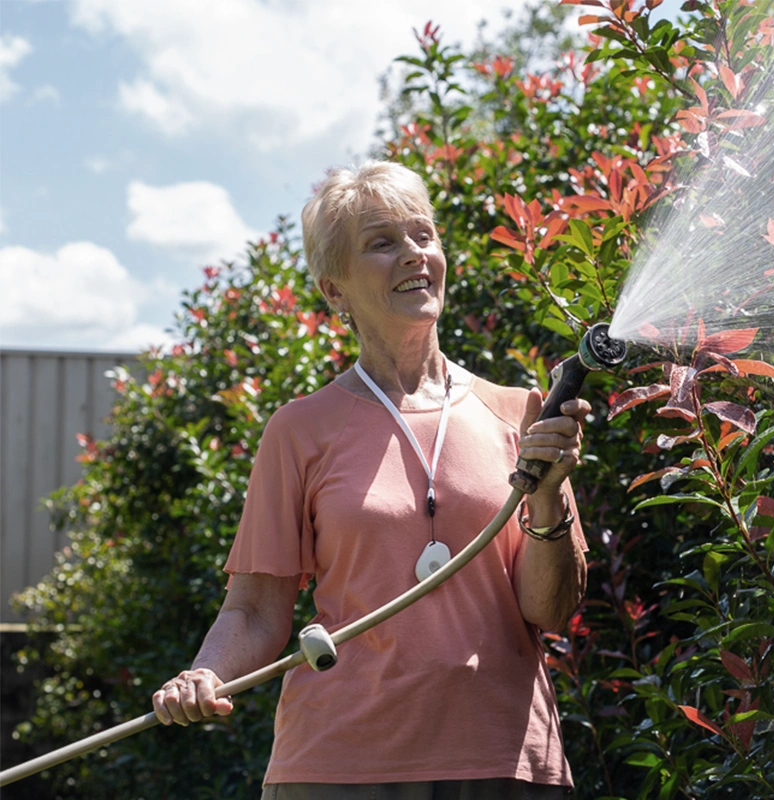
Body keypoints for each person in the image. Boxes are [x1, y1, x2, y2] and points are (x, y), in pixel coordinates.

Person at [152, 160, 590, 799]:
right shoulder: (300, 430)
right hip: (337, 768)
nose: (414, 255)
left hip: (502, 757)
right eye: (382, 243)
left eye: (423, 236)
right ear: (335, 291)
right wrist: (201, 675)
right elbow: (254, 610)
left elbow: (550, 610)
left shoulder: (519, 413)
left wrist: (547, 499)